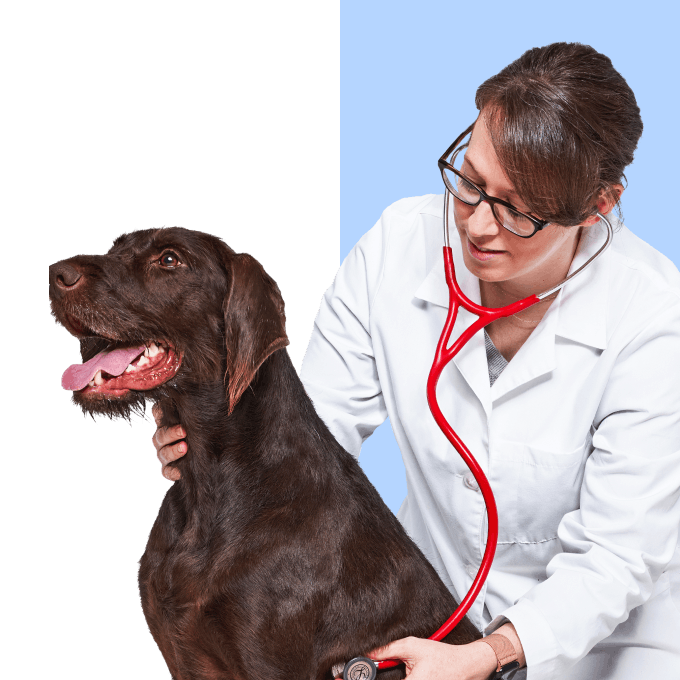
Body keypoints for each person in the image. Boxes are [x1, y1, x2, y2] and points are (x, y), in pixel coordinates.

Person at [151, 43, 680, 679]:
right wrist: (218, 441)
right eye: (471, 183)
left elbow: (615, 554)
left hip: (606, 650)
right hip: (428, 620)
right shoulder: (398, 248)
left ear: (597, 207)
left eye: (518, 210)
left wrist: (489, 654)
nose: (478, 225)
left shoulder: (654, 321)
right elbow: (309, 439)